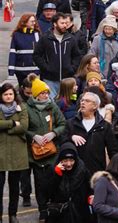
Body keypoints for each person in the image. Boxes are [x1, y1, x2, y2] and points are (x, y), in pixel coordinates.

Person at [25, 77, 66, 222]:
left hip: (52, 151)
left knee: (54, 179)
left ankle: (52, 206)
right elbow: (24, 128)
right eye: (42, 93)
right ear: (36, 94)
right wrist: (33, 136)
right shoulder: (27, 108)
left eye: (47, 93)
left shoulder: (52, 107)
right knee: (39, 182)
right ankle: (42, 209)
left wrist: (53, 133)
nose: (46, 95)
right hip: (35, 153)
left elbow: (62, 123)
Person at [64, 91, 118, 175]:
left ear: (95, 106)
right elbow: (62, 141)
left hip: (97, 172)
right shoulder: (70, 123)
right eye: (82, 100)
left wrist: (115, 171)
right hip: (75, 172)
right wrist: (71, 137)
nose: (83, 103)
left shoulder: (104, 126)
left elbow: (113, 150)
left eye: (87, 101)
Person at [33, 13, 82, 99]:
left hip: (67, 79)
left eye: (66, 23)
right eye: (62, 23)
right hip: (50, 79)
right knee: (51, 103)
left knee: (67, 102)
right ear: (55, 24)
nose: (65, 26)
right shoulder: (45, 38)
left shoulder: (71, 39)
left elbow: (77, 56)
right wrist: (46, 68)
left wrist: (72, 68)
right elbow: (37, 55)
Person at [0, 82, 29, 223]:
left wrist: (6, 128)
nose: (8, 96)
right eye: (5, 94)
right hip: (1, 150)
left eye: (10, 94)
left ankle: (13, 214)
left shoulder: (21, 107)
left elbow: (24, 126)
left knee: (14, 187)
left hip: (17, 151)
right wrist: (12, 124)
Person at [47, 142, 93, 223]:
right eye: (65, 160)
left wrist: (91, 196)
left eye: (71, 160)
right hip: (60, 213)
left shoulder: (82, 169)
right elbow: (48, 192)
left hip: (80, 210)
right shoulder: (53, 169)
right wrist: (57, 175)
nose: (68, 164)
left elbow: (90, 187)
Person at [8, 13, 41, 82]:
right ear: (25, 22)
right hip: (20, 71)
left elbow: (41, 53)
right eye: (32, 21)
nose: (34, 23)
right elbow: (12, 53)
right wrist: (11, 71)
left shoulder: (37, 34)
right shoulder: (16, 35)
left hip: (35, 71)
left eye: (34, 21)